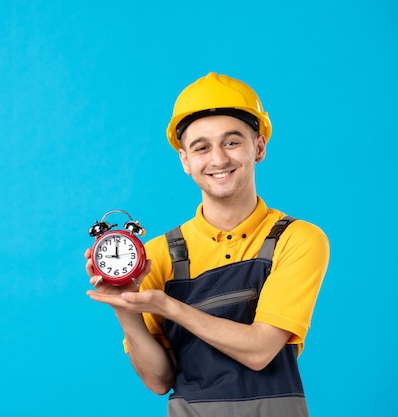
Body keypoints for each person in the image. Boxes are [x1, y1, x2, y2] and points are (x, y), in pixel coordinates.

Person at [84, 72, 329, 417]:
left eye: (232, 142)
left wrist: (169, 307)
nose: (218, 159)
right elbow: (158, 380)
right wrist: (124, 309)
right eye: (201, 147)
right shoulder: (156, 255)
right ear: (185, 160)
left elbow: (260, 351)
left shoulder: (296, 239)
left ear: (258, 147)